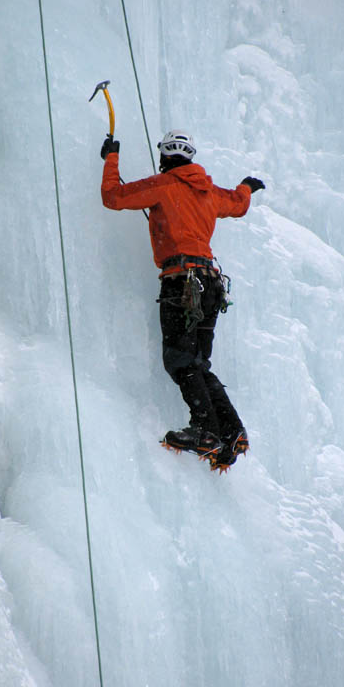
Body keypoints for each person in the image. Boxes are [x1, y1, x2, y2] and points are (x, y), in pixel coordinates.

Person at [100, 129, 264, 471]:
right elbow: (237, 203)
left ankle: (206, 430)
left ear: (164, 158)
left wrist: (111, 158)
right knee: (198, 362)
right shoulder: (208, 191)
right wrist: (247, 186)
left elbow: (113, 197)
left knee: (180, 359)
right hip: (210, 283)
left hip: (181, 283)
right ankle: (231, 433)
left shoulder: (164, 185)